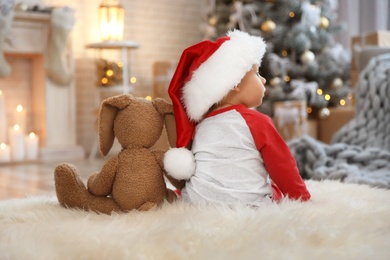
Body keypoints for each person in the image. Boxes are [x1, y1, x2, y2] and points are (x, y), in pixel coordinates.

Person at [164, 30, 311, 206]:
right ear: (234, 83)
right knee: (275, 194)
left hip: (199, 204)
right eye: (256, 73)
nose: (263, 80)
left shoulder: (202, 126)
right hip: (248, 204)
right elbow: (282, 166)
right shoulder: (255, 121)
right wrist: (302, 198)